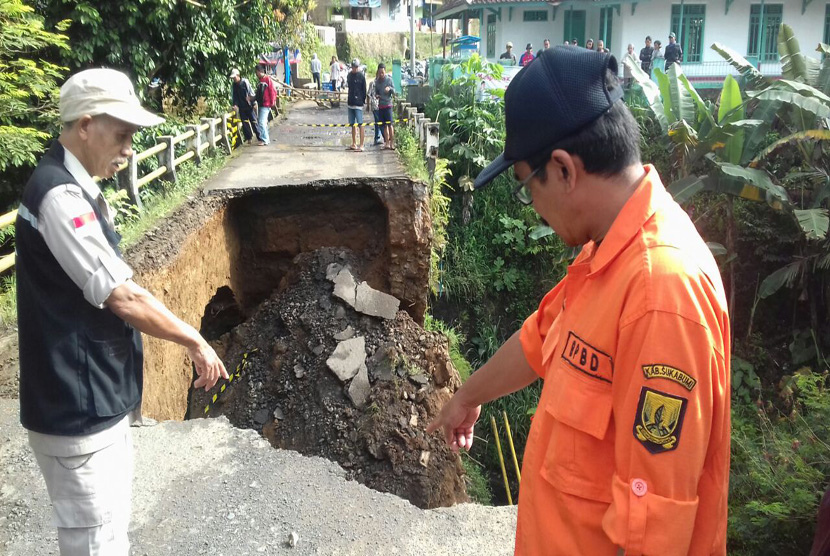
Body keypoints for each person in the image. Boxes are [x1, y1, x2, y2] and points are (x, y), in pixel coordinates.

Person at [427, 47, 730, 555]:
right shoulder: (606, 253)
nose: (534, 209)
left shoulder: (661, 293)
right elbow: (539, 340)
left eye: (527, 186)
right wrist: (466, 398)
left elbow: (652, 527)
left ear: (564, 170)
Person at [16, 68, 228, 556]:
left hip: (93, 401)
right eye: (123, 135)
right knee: (97, 544)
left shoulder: (78, 188)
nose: (130, 148)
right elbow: (123, 296)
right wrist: (194, 340)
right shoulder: (59, 198)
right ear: (85, 125)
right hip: (78, 409)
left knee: (109, 536)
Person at [230, 68, 261, 144]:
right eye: (233, 78)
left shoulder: (245, 82)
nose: (234, 79)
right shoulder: (234, 85)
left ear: (238, 75)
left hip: (249, 105)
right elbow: (235, 96)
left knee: (253, 121)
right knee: (244, 123)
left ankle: (260, 137)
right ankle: (249, 138)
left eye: (235, 77)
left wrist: (253, 103)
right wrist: (235, 105)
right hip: (241, 106)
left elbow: (251, 92)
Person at [346, 58, 367, 152]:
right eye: (353, 67)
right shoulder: (349, 76)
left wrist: (362, 101)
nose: (355, 68)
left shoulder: (362, 76)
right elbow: (349, 88)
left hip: (358, 104)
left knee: (360, 124)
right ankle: (354, 143)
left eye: (356, 67)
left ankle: (361, 144)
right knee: (352, 124)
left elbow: (364, 90)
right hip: (350, 102)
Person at [374, 63, 396, 150]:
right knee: (384, 126)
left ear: (385, 71)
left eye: (382, 72)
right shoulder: (377, 82)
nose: (381, 74)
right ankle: (386, 143)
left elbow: (394, 91)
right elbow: (376, 93)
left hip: (388, 105)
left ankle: (392, 143)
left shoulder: (389, 80)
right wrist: (377, 96)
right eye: (380, 72)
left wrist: (389, 89)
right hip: (381, 106)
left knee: (390, 124)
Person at [254, 64, 277, 146]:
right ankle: (265, 138)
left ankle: (265, 139)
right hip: (262, 104)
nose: (256, 74)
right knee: (262, 122)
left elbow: (272, 91)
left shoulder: (267, 79)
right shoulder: (261, 80)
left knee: (261, 122)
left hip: (266, 104)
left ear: (259, 71)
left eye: (256, 72)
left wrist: (272, 102)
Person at [368, 69, 382, 146]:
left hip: (380, 104)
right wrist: (367, 105)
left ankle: (378, 137)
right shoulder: (373, 83)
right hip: (376, 104)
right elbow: (368, 94)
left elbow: (368, 94)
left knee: (379, 122)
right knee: (378, 121)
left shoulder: (381, 83)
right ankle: (377, 138)